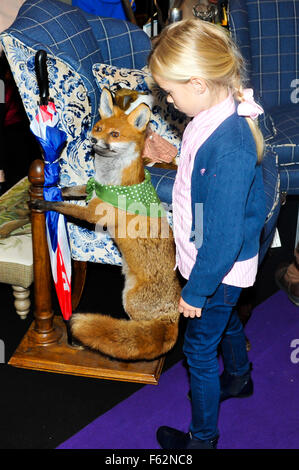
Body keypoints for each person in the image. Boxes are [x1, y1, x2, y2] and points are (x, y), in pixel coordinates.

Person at [148, 18, 267, 450]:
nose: (167, 99)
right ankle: (238, 377)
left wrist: (195, 292)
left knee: (198, 349)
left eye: (170, 92)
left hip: (215, 266)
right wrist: (175, 154)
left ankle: (202, 440)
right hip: (211, 258)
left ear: (198, 83)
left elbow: (223, 240)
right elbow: (203, 175)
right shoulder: (210, 113)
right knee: (227, 317)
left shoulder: (231, 145)